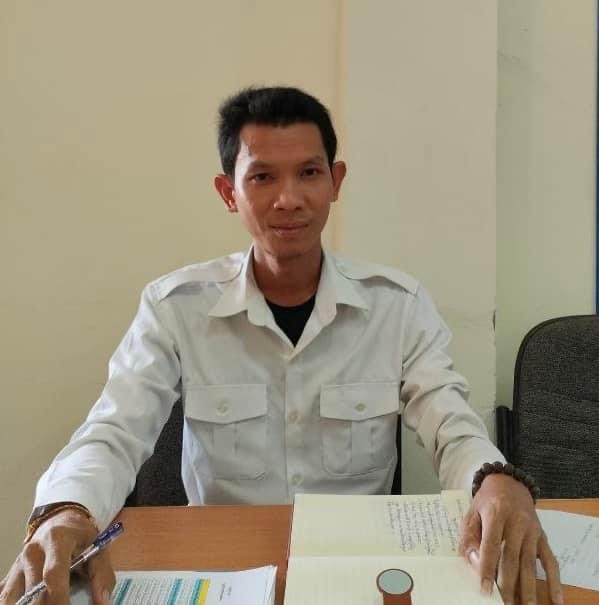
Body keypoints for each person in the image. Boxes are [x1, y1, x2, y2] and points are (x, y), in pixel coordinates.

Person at [0, 86, 561, 605]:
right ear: (229, 192)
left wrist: (494, 479)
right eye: (263, 177)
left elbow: (451, 423)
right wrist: (66, 511)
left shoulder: (397, 306)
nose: (289, 199)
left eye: (309, 173)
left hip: (356, 572)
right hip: (224, 571)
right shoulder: (176, 308)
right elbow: (115, 428)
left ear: (335, 181)